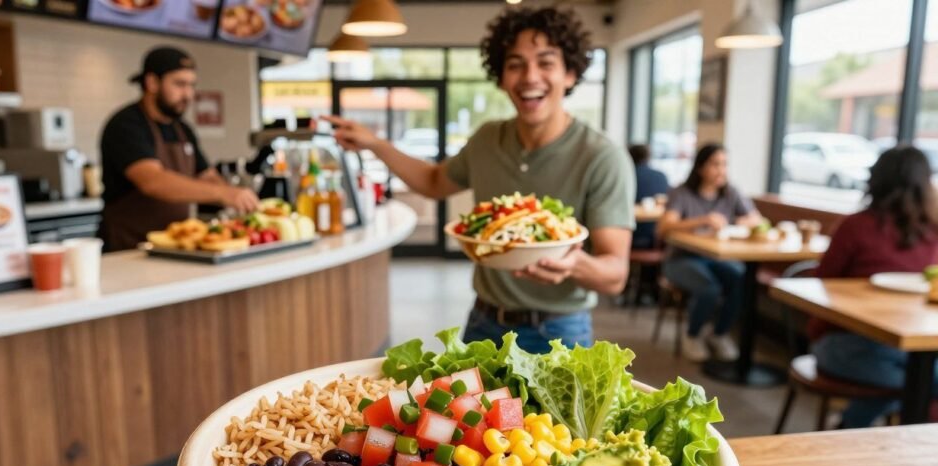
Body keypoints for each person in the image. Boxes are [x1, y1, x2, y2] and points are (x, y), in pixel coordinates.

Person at [323, 6, 635, 353]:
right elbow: (433, 182)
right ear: (501, 78)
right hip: (484, 320)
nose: (530, 76)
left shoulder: (602, 157)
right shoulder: (487, 139)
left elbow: (615, 274)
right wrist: (376, 144)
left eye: (546, 63)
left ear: (570, 74)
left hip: (560, 329)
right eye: (515, 64)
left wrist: (574, 262)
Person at [810, 145, 938, 428]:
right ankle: (852, 430)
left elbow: (822, 279)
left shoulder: (931, 230)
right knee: (921, 383)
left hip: (906, 348)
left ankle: (851, 428)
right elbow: (819, 288)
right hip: (847, 343)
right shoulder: (857, 227)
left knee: (921, 379)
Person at [98, 46, 258, 252]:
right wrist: (221, 193)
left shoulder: (182, 129)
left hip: (175, 245)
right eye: (180, 84)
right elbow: (153, 181)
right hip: (129, 249)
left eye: (192, 85)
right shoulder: (126, 124)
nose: (188, 94)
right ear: (152, 83)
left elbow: (206, 175)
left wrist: (234, 196)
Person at [657, 144, 763, 362]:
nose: (721, 170)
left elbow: (756, 219)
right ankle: (692, 335)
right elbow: (664, 227)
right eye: (715, 164)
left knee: (741, 278)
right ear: (700, 167)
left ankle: (719, 334)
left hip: (716, 257)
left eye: (724, 164)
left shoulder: (731, 192)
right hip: (680, 259)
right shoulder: (682, 193)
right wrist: (704, 220)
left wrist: (735, 221)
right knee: (710, 287)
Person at [628, 144, 669, 250]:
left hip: (630, 235)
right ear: (648, 157)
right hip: (657, 237)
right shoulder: (661, 176)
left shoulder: (627, 175)